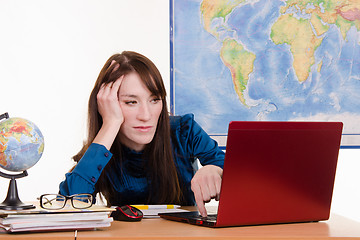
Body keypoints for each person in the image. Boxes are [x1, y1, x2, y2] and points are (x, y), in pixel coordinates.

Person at [59, 51, 224, 216]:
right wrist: (110, 124)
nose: (146, 115)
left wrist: (215, 169)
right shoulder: (102, 148)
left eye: (154, 100)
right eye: (131, 102)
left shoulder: (183, 130)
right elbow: (69, 206)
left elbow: (235, 173)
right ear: (106, 105)